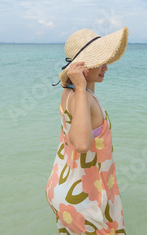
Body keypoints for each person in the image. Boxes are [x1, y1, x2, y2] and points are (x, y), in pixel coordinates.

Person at [46, 26, 128, 234]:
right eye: (99, 61)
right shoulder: (82, 96)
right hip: (84, 199)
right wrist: (82, 87)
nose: (106, 67)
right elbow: (82, 144)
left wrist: (81, 82)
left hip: (65, 187)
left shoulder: (68, 93)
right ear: (84, 65)